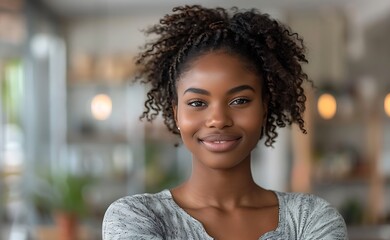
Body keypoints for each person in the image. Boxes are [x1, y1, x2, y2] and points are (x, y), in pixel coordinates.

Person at [103, 5, 347, 240]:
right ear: (176, 113)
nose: (218, 120)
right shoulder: (134, 217)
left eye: (239, 100)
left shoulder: (311, 219)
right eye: (197, 103)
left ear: (264, 107)